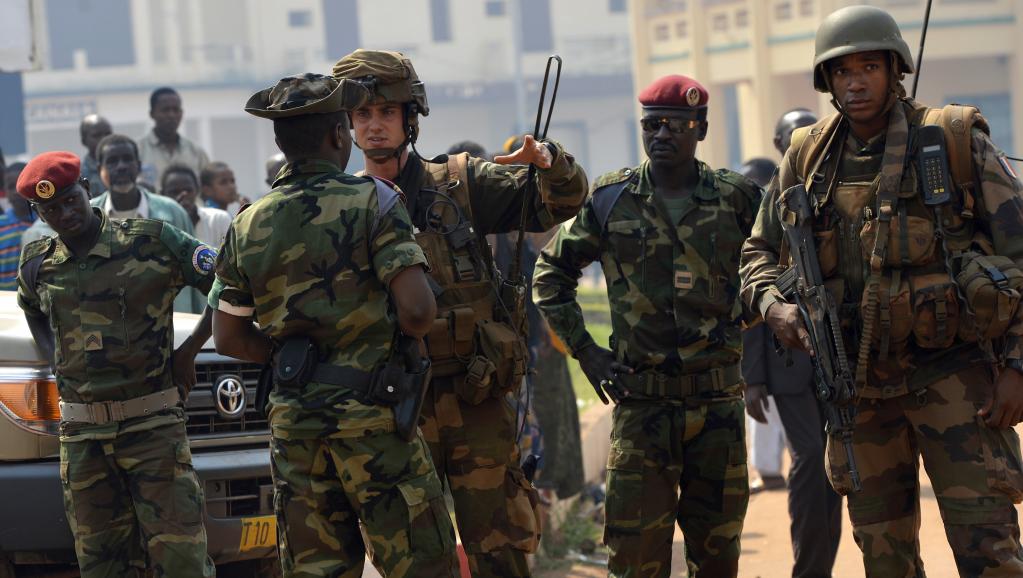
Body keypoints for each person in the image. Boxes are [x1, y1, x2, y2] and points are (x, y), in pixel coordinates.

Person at [739, 5, 1023, 576]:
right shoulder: (807, 158)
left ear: (896, 69)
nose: (856, 81)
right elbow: (756, 254)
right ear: (827, 81)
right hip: (859, 392)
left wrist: (1017, 364)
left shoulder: (952, 139)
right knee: (885, 558)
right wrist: (775, 307)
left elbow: (1018, 254)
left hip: (955, 377)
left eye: (869, 66)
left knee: (988, 552)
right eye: (842, 71)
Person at [332, 49, 588, 577]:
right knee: (416, 560)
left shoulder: (461, 183)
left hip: (477, 398)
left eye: (386, 113)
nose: (375, 126)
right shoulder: (338, 206)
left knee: (500, 552)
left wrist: (549, 163)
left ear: (411, 119)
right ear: (347, 124)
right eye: (362, 115)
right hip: (395, 406)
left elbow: (562, 202)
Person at [208, 73, 459, 578]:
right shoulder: (376, 202)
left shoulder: (248, 222)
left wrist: (289, 358)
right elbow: (417, 312)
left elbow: (229, 336)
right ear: (339, 136)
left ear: (281, 143)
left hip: (295, 430)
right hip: (374, 425)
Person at [534, 74, 757, 578]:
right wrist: (586, 352)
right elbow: (550, 271)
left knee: (718, 558)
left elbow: (780, 265)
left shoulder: (738, 199)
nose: (662, 135)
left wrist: (751, 313)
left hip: (716, 409)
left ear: (699, 129)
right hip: (642, 410)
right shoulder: (612, 200)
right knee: (635, 561)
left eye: (676, 126)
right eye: (652, 124)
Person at [16, 151, 216, 578]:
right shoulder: (37, 262)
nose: (65, 213)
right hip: (83, 441)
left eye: (70, 200)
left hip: (153, 430)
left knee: (183, 563)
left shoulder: (151, 241)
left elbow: (226, 279)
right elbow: (29, 305)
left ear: (88, 190)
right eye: (51, 209)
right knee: (102, 566)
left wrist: (191, 348)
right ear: (39, 213)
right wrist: (53, 352)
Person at [742, 109, 844, 578]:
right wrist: (753, 378)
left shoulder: (835, 189)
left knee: (839, 457)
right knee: (808, 458)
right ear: (779, 142)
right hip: (786, 362)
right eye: (791, 135)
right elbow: (751, 291)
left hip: (839, 353)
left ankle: (825, 559)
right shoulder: (765, 202)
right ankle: (809, 567)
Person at [21, 135, 201, 314]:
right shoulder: (74, 228)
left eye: (127, 159)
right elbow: (32, 307)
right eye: (112, 161)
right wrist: (47, 344)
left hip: (179, 325)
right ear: (100, 170)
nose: (121, 167)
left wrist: (196, 340)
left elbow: (207, 277)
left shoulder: (169, 216)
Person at [138, 87, 210, 187]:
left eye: (176, 110)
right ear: (152, 114)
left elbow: (208, 188)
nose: (171, 115)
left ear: (181, 113)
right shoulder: (138, 150)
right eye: (165, 110)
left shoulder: (196, 152)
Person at [161, 164, 231, 248]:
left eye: (188, 190)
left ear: (197, 190)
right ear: (162, 194)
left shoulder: (219, 219)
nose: (183, 195)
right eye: (174, 192)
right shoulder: (160, 228)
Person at [0, 163, 32, 290]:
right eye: (10, 187)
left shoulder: (44, 223)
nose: (16, 192)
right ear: (5, 191)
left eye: (20, 184)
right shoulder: (1, 225)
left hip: (35, 301)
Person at [79, 114, 113, 197]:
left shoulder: (125, 166)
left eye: (108, 134)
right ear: (84, 140)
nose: (104, 139)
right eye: (96, 135)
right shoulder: (80, 175)